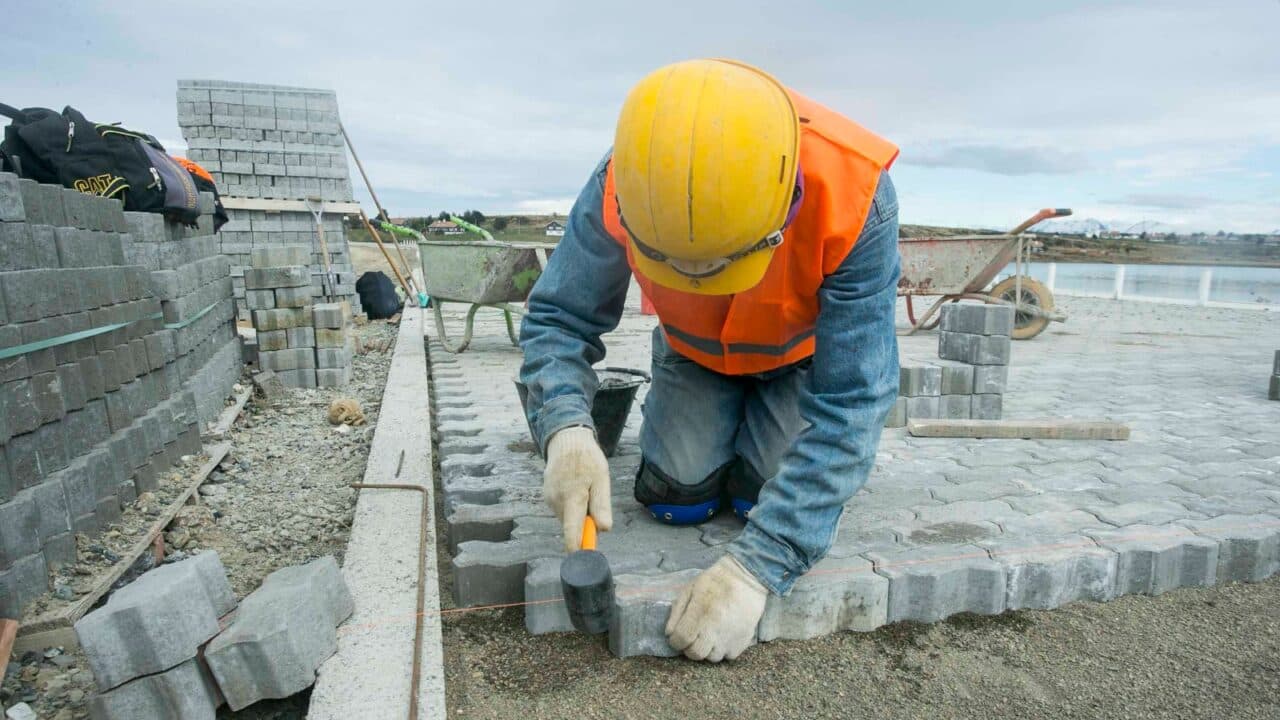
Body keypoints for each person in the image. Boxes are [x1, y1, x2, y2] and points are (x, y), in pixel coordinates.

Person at [518, 58, 900, 662]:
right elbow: (558, 318)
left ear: (786, 205)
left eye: (718, 267)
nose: (703, 283)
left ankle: (761, 435)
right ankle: (715, 423)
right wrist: (564, 427)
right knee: (678, 498)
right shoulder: (624, 181)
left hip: (797, 364)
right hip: (694, 356)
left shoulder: (854, 194)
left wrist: (759, 569)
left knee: (762, 500)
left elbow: (856, 397)